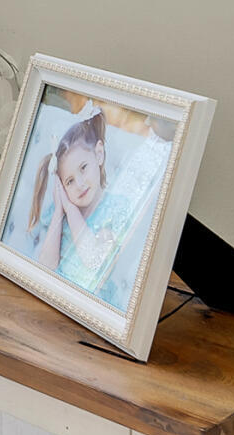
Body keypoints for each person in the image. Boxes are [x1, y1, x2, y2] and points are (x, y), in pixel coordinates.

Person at [20, 105, 150, 304]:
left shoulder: (115, 209)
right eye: (69, 181)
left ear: (99, 154)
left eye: (83, 168)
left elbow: (93, 261)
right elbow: (46, 265)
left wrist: (71, 209)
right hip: (57, 297)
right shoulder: (60, 213)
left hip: (91, 302)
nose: (79, 184)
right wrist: (59, 212)